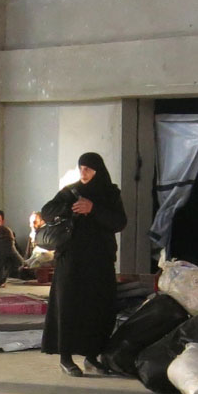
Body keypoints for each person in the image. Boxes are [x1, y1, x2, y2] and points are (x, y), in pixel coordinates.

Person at [41, 152, 127, 376]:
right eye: (81, 168)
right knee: (69, 305)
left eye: (88, 169)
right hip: (72, 259)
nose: (84, 173)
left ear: (98, 170)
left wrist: (93, 209)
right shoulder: (70, 192)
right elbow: (47, 211)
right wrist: (69, 208)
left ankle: (92, 356)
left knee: (99, 307)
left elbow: (119, 222)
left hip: (100, 259)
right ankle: (66, 357)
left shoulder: (110, 193)